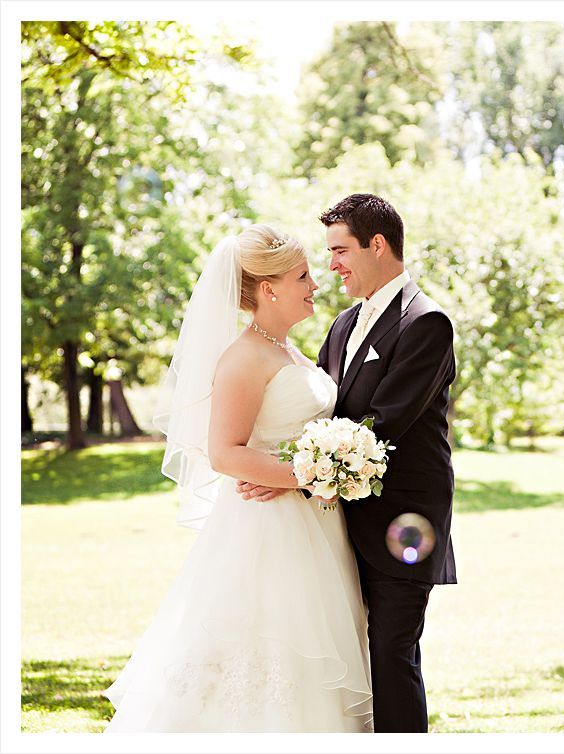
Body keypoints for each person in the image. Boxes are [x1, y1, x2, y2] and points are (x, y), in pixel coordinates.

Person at [103, 225, 373, 732]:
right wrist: (309, 476)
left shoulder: (289, 350)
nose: (315, 284)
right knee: (272, 643)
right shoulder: (244, 357)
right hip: (268, 529)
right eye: (303, 276)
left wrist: (324, 469)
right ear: (269, 289)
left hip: (317, 525)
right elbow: (224, 453)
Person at [237, 194, 457, 733]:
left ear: (376, 246)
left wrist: (298, 478)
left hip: (400, 525)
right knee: (350, 659)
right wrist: (287, 468)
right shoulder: (343, 324)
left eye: (340, 251)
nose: (330, 265)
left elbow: (383, 425)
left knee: (391, 655)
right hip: (335, 527)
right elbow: (322, 414)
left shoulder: (426, 324)